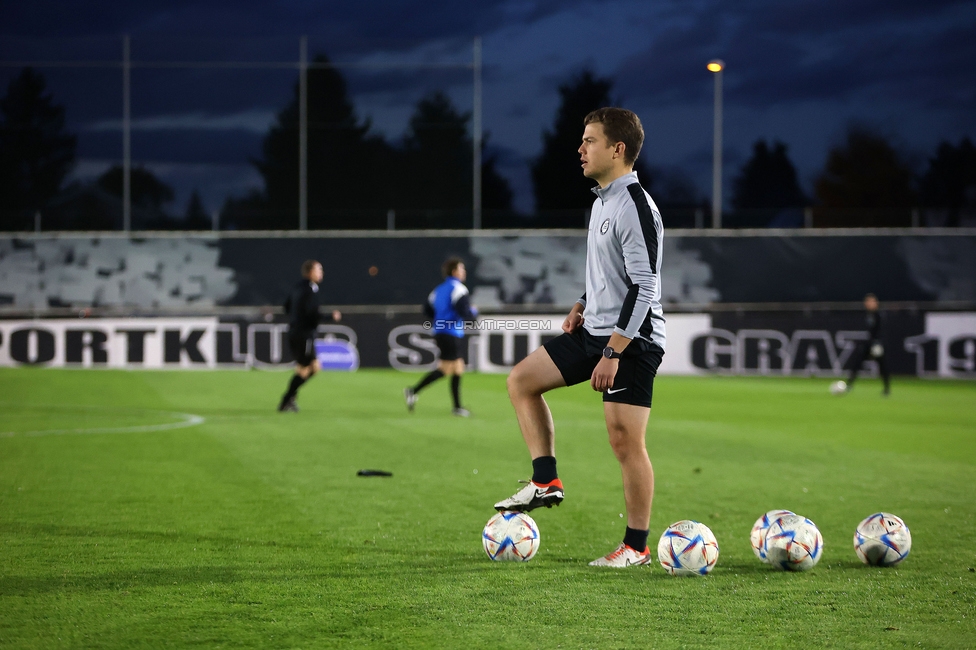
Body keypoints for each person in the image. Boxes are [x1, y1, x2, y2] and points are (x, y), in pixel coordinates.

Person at [493, 107, 666, 567]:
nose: (580, 148)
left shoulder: (636, 206)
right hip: (594, 330)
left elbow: (644, 286)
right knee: (521, 381)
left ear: (618, 148)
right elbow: (612, 273)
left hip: (633, 340)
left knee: (624, 441)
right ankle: (545, 480)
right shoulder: (602, 201)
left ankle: (636, 548)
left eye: (590, 140)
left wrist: (613, 350)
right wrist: (583, 303)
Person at [404, 257, 478, 417]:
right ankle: (414, 391)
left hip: (440, 331)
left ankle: (455, 406)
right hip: (451, 333)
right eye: (461, 268)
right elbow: (464, 312)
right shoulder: (459, 289)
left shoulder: (438, 290)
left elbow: (427, 309)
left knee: (455, 368)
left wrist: (440, 319)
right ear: (454, 271)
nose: (464, 271)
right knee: (450, 368)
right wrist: (473, 313)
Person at [278, 260, 341, 412]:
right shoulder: (310, 290)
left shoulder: (298, 287)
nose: (321, 273)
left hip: (297, 332)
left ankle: (289, 398)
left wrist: (296, 319)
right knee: (305, 369)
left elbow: (286, 307)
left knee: (314, 367)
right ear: (310, 272)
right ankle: (286, 400)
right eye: (319, 270)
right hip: (303, 334)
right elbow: (313, 314)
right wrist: (330, 317)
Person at [845, 293, 891, 395]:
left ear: (876, 303)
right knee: (857, 362)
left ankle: (887, 389)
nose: (868, 304)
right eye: (867, 302)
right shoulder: (868, 314)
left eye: (870, 302)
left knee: (882, 365)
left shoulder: (879, 315)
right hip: (869, 344)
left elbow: (882, 331)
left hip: (877, 344)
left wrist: (878, 344)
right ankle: (849, 384)